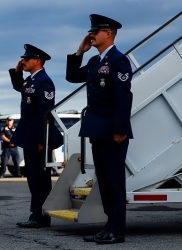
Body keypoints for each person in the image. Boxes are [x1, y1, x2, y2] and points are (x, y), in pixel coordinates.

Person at [66, 14, 133, 244]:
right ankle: (109, 225)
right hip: (97, 129)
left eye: (97, 31)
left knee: (114, 181)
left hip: (113, 131)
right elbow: (72, 76)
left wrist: (120, 129)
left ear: (110, 33)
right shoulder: (95, 62)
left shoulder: (118, 60)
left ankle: (118, 230)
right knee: (103, 181)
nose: (91, 34)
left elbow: (124, 98)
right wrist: (79, 52)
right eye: (91, 31)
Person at [9, 44, 62, 228]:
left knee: (40, 178)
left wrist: (42, 140)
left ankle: (41, 216)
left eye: (27, 58)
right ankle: (36, 214)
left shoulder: (44, 82)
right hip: (30, 136)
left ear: (37, 60)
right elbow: (20, 87)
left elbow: (45, 114)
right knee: (33, 177)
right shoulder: (30, 80)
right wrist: (17, 72)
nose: (23, 60)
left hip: (39, 138)